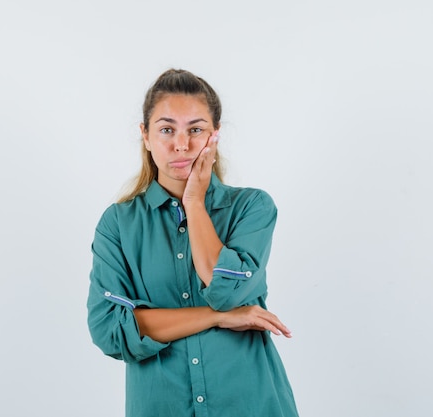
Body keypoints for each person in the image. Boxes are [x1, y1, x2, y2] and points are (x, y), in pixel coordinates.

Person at [87, 68, 299, 417]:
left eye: (196, 130)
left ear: (214, 136)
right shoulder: (119, 224)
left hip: (250, 404)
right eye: (167, 129)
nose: (181, 144)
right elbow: (111, 330)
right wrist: (219, 318)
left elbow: (226, 292)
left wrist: (195, 202)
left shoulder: (252, 208)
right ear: (145, 134)